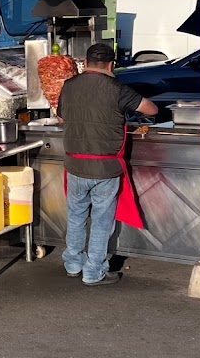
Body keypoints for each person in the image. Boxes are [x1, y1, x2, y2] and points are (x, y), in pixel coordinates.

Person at [56, 43, 157, 286]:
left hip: (75, 165)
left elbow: (61, 116)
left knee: (76, 216)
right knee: (101, 220)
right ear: (111, 65)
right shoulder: (117, 88)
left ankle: (72, 263)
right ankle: (93, 272)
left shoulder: (69, 86)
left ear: (86, 62)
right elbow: (151, 109)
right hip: (105, 167)